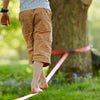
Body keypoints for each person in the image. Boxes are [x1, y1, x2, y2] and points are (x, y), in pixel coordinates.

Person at [0, 0, 52, 94]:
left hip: (25, 12)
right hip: (42, 9)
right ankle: (35, 84)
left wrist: (5, 11)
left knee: (32, 47)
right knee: (42, 46)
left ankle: (42, 81)